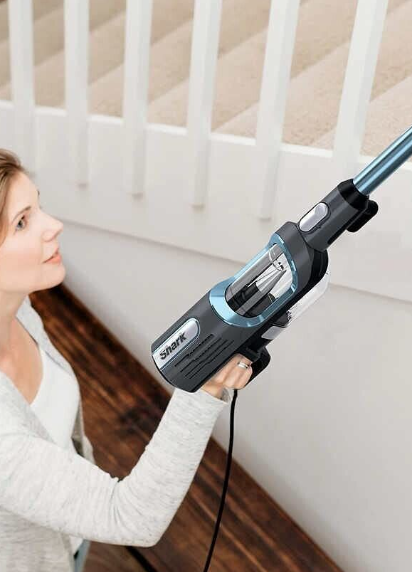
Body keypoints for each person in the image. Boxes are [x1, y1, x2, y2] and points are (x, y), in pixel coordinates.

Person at [0, 148, 255, 571]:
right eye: (22, 222)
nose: (54, 225)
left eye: (39, 206)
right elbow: (131, 517)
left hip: (70, 539)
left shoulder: (17, 308)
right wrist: (203, 388)